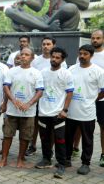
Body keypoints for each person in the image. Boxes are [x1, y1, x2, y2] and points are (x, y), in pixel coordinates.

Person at [0, 47, 44, 168]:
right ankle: (4, 158)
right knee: (7, 135)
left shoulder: (37, 73)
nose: (23, 57)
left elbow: (39, 92)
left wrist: (29, 104)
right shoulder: (12, 71)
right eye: (22, 54)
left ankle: (20, 159)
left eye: (27, 55)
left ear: (32, 58)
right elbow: (6, 87)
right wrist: (13, 100)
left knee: (25, 136)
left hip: (28, 112)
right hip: (12, 110)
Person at [35, 47, 74, 179]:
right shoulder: (43, 72)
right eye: (53, 57)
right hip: (43, 112)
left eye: (57, 58)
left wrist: (65, 110)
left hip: (58, 113)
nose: (54, 59)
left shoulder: (66, 73)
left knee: (60, 140)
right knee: (45, 138)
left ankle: (61, 164)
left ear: (62, 60)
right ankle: (46, 159)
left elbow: (70, 92)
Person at [66, 44, 104, 175]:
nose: (82, 56)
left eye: (85, 54)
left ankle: (85, 163)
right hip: (71, 111)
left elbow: (103, 91)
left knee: (87, 140)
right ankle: (66, 159)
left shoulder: (98, 71)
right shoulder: (71, 69)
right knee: (68, 137)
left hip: (87, 113)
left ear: (91, 55)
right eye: (80, 53)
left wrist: (92, 99)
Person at [26, 36, 67, 156]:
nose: (45, 46)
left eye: (48, 44)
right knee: (35, 123)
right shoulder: (36, 60)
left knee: (53, 126)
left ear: (53, 45)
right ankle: (32, 145)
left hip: (53, 100)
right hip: (38, 97)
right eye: (44, 44)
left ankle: (50, 149)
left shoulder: (61, 63)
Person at [5, 0, 90, 32]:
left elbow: (85, 5)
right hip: (48, 19)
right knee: (10, 11)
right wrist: (25, 0)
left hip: (66, 19)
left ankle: (39, 26)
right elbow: (38, 6)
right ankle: (46, 28)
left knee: (70, 7)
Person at [90, 30, 104, 167]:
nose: (95, 40)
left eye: (98, 38)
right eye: (93, 38)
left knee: (103, 127)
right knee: (79, 125)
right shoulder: (85, 54)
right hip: (85, 98)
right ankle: (76, 148)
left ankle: (103, 154)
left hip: (102, 98)